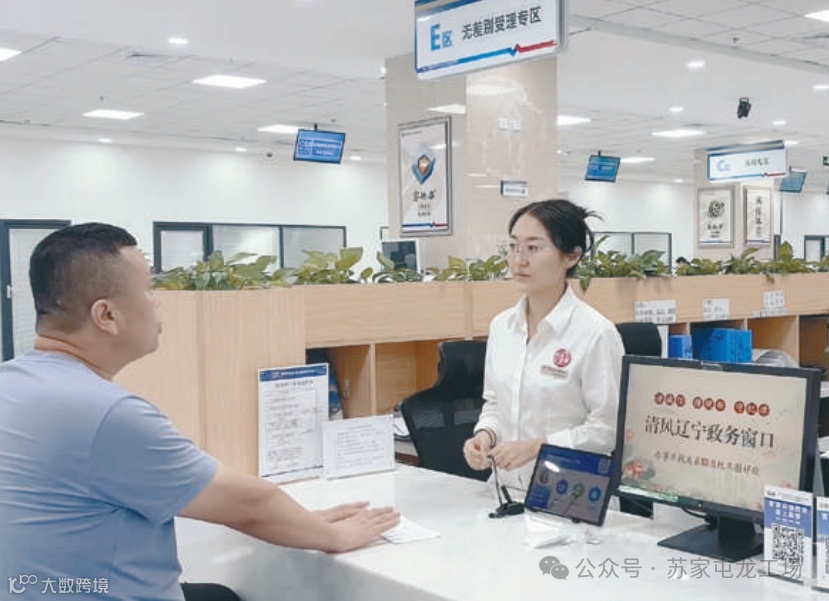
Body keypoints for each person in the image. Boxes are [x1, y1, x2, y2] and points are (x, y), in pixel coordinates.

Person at [0, 223, 399, 601]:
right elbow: (247, 504)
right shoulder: (106, 414)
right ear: (106, 315)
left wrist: (304, 521)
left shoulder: (12, 383)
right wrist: (337, 536)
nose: (157, 302)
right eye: (149, 289)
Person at [463, 199, 625, 490]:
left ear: (571, 256)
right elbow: (495, 403)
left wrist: (539, 446)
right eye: (514, 246)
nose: (519, 260)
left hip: (568, 494)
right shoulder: (502, 326)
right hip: (505, 489)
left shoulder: (596, 333)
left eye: (534, 248)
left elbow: (608, 429)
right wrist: (484, 435)